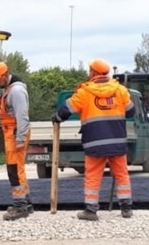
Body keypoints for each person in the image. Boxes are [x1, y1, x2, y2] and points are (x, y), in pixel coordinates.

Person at [52, 58, 135, 221]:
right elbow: (131, 111)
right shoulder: (120, 90)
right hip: (117, 141)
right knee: (121, 174)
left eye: (90, 70)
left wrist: (56, 117)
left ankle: (91, 210)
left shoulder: (85, 92)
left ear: (94, 73)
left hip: (94, 142)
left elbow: (66, 109)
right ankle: (126, 208)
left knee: (93, 175)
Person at [0, 61, 33, 220]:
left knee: (15, 170)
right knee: (17, 168)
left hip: (15, 134)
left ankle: (20, 206)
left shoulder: (16, 91)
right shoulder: (9, 91)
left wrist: (20, 138)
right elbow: (8, 107)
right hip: (11, 134)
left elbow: (22, 116)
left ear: (5, 76)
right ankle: (26, 202)